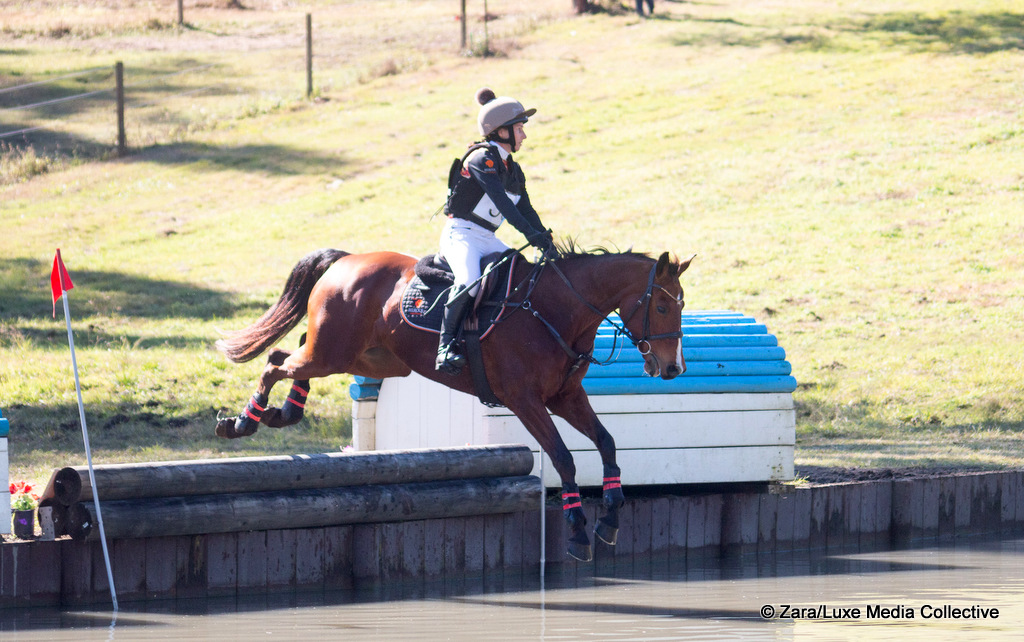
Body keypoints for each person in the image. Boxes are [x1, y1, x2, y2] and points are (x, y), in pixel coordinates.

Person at [435, 87, 556, 375]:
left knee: (521, 272)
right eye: (519, 129)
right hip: (461, 234)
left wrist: (546, 240)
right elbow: (506, 208)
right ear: (502, 132)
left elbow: (526, 210)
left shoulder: (513, 170)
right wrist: (532, 236)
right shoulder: (481, 160)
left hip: (487, 238)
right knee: (469, 281)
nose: (524, 135)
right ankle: (444, 347)